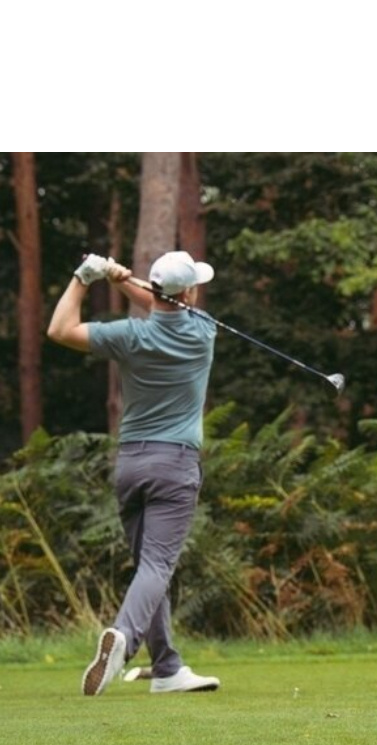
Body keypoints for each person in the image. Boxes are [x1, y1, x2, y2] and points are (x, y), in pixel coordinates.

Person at [47, 250, 222, 695]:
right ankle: (122, 637)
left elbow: (60, 329)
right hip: (175, 464)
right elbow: (164, 303)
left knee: (150, 567)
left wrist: (88, 277)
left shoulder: (129, 336)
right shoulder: (203, 331)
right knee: (158, 565)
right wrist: (123, 280)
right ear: (189, 293)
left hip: (130, 463)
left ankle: (167, 669)